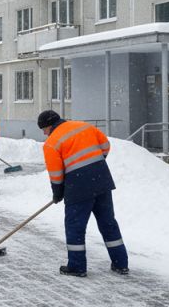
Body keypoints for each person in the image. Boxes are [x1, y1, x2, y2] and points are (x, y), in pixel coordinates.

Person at [37, 109, 128, 277]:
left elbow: (56, 173)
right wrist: (94, 164)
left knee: (75, 227)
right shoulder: (84, 126)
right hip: (101, 180)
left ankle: (77, 267)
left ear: (49, 126)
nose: (43, 133)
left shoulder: (51, 143)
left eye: (43, 129)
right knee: (108, 223)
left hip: (78, 187)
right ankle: (121, 263)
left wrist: (57, 192)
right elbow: (106, 145)